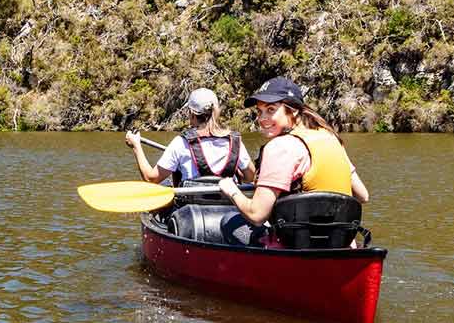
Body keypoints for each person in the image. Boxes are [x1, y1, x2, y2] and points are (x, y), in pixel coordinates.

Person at [217, 77, 370, 228]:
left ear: (293, 111)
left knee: (229, 221)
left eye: (271, 110)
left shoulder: (280, 147)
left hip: (296, 244)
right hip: (340, 241)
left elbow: (256, 215)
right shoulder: (330, 137)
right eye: (259, 111)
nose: (262, 118)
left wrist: (231, 190)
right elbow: (363, 196)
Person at [125, 88, 256, 185]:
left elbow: (151, 178)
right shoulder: (235, 142)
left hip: (191, 211)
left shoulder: (181, 143)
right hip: (226, 207)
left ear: (192, 113)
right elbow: (250, 177)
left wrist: (136, 146)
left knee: (166, 185)